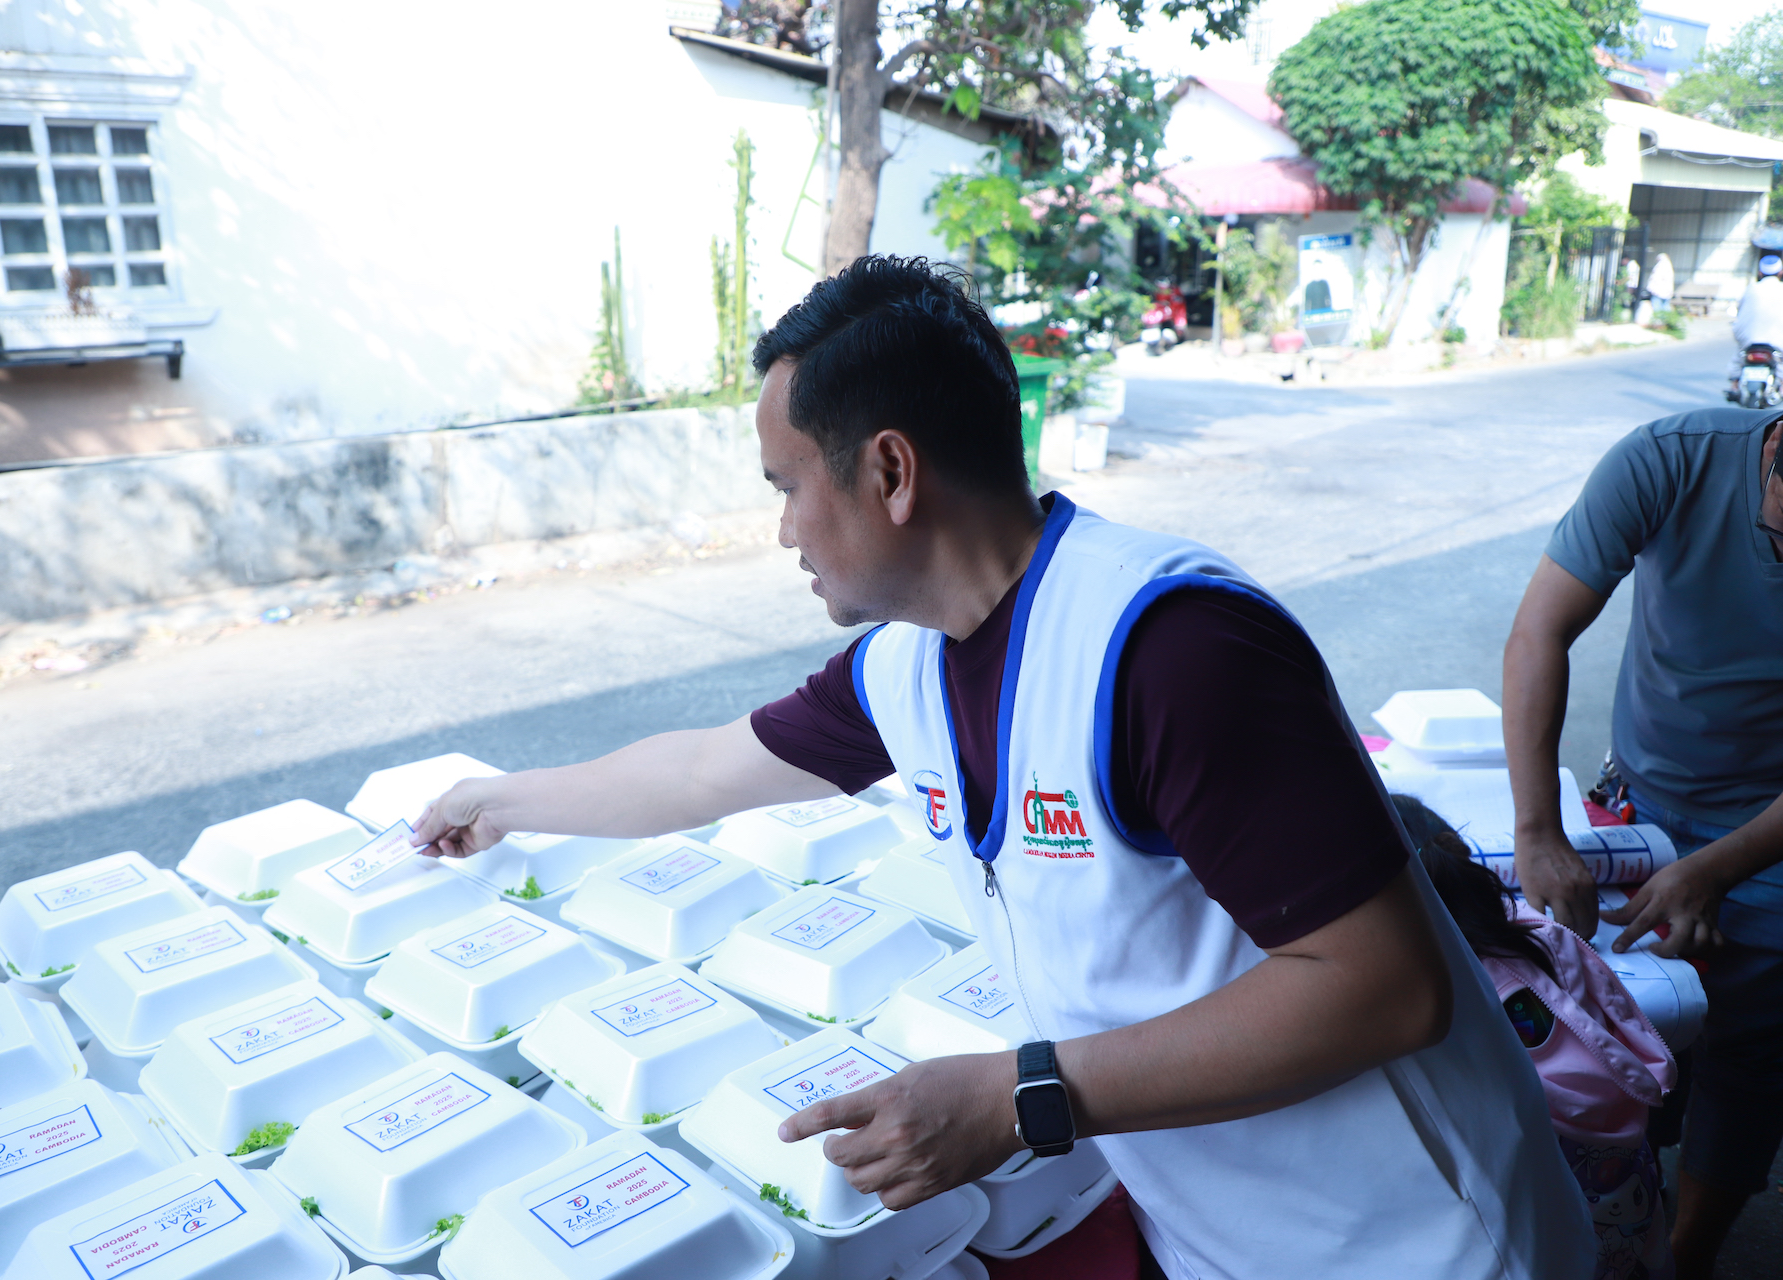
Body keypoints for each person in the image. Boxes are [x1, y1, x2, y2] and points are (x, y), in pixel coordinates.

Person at [414, 256, 1591, 1278]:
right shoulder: (906, 669)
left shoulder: (1169, 648)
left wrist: (1024, 1095)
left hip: (1417, 1245)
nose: (781, 532)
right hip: (1224, 1234)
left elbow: (1383, 983)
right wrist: (497, 799)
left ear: (889, 470)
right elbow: (697, 772)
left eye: (786, 488)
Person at [1503, 406, 1783, 1277]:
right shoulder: (1672, 461)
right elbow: (1541, 630)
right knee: (1619, 1008)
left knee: (1749, 1051)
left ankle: (1686, 1256)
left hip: (1772, 831)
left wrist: (1722, 869)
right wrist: (1539, 829)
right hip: (1647, 797)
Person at [1392, 794, 1675, 1280]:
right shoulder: (1545, 937)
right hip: (1628, 1206)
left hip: (1534, 1221)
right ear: (1457, 850)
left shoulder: (1410, 994)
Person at [1725, 254, 1783, 402]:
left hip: (1748, 337)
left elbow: (1739, 310)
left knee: (1739, 355)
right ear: (1780, 272)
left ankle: (1734, 385)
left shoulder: (1751, 288)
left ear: (1760, 272)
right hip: (1776, 339)